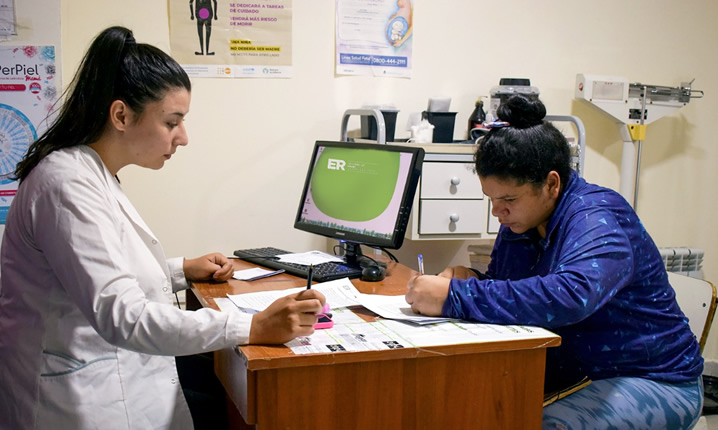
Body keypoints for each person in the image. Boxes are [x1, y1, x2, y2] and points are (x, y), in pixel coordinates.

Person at [0, 26, 325, 430]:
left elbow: (89, 273)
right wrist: (252, 326)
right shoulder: (65, 185)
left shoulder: (89, 173)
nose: (183, 137)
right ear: (121, 115)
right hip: (77, 401)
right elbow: (123, 315)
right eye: (172, 122)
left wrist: (179, 270)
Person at [405, 94, 704, 429]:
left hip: (652, 379)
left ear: (551, 184)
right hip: (574, 374)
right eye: (491, 199)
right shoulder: (524, 219)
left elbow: (571, 296)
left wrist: (456, 296)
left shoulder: (598, 217)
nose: (497, 211)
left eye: (508, 199)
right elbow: (516, 289)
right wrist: (471, 278)